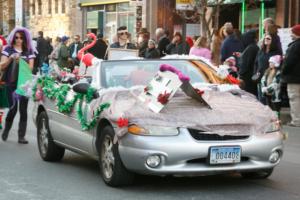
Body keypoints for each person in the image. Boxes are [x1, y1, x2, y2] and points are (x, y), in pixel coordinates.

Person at [0, 27, 36, 144]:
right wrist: (11, 58)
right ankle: (6, 129)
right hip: (10, 83)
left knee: (23, 109)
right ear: (13, 38)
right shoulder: (8, 49)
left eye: (21, 37)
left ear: (25, 38)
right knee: (13, 109)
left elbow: (30, 68)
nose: (18, 40)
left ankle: (21, 136)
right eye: (16, 37)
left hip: (24, 84)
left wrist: (21, 61)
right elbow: (2, 66)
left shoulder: (28, 51)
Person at [253, 33, 282, 104]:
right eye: (265, 38)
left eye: (268, 38)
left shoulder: (276, 52)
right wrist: (255, 73)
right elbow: (256, 63)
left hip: (270, 79)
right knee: (261, 99)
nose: (266, 39)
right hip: (260, 78)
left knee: (270, 101)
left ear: (273, 41)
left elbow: (278, 66)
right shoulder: (261, 51)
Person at [281, 24, 300, 127]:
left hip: (294, 78)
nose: (291, 34)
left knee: (294, 98)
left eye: (292, 32)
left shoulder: (295, 46)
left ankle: (296, 120)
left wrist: (283, 71)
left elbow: (289, 62)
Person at [239, 29, 259, 95]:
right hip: (251, 77)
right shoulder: (253, 47)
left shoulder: (251, 48)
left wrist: (240, 74)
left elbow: (246, 64)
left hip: (247, 78)